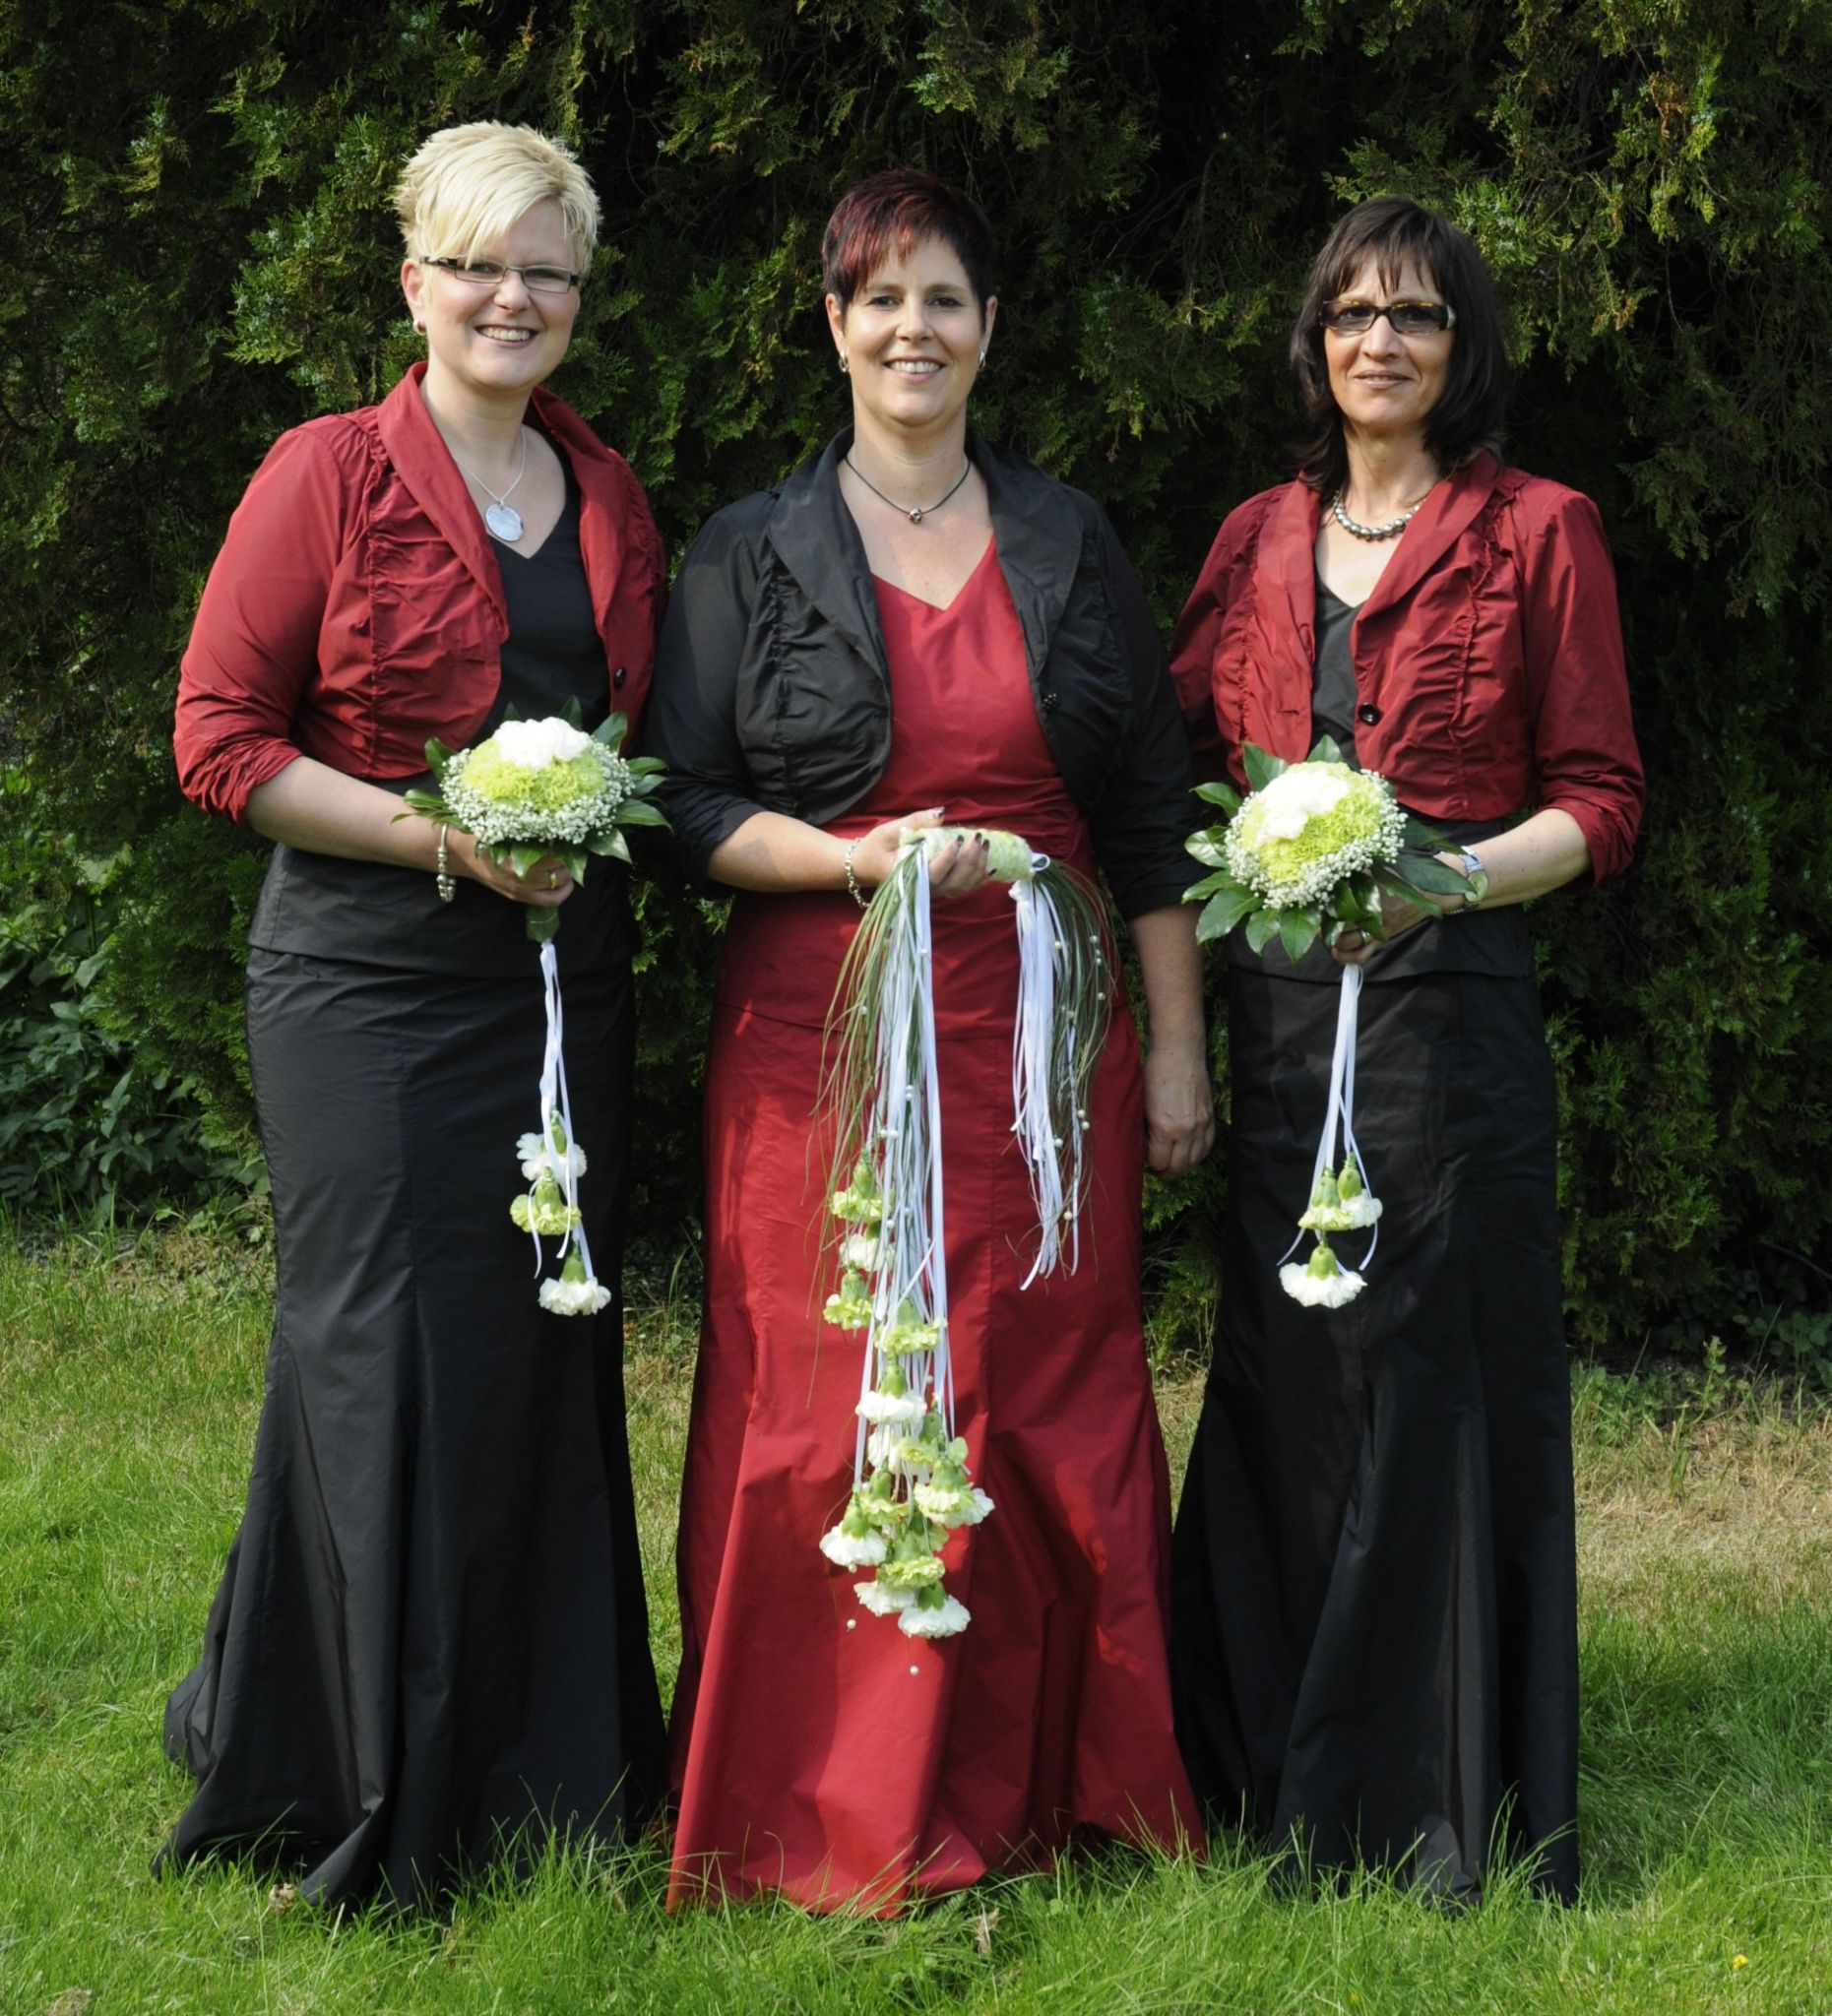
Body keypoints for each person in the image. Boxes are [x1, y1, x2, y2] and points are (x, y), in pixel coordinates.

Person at [647, 168, 1215, 1911]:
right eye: (880, 299)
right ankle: (810, 1812)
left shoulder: (1070, 541)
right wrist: (850, 859)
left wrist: (1175, 1053)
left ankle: (1054, 1796)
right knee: (820, 1398)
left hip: (1039, 1050)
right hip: (817, 1045)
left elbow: (1147, 813)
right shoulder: (745, 549)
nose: (914, 329)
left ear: (987, 329)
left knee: (1045, 1391)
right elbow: (681, 804)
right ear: (832, 325)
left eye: (945, 300)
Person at [159, 121, 666, 1909]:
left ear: (577, 296)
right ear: (414, 284)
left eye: (544, 271)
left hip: (556, 986)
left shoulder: (606, 493)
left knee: (540, 1343)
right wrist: (439, 841)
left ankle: (549, 1765)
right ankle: (357, 1770)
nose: (510, 298)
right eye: (477, 266)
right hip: (366, 986)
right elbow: (219, 742)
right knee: (379, 1354)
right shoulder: (328, 472)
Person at [1169, 197, 1643, 1904]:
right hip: (1281, 1028)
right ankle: (1254, 1766)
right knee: (1292, 1380)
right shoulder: (1251, 538)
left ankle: (1421, 1797)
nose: (1382, 341)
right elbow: (1171, 774)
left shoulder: (1541, 531)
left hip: (1450, 1033)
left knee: (1424, 1378)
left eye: (1418, 316)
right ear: (1315, 342)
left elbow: (1600, 799)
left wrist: (1435, 885)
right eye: (1353, 313)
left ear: (1462, 347)